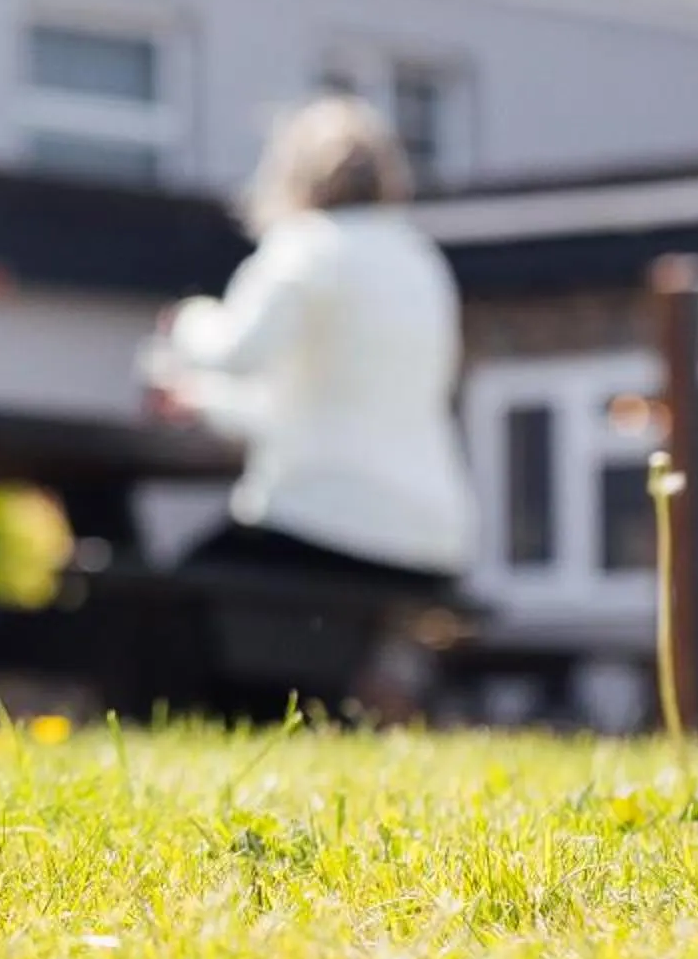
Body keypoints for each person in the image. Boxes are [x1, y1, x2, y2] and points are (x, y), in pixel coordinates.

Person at [147, 96, 475, 710]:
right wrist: (210, 404)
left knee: (167, 597)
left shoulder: (306, 247)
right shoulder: (421, 261)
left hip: (327, 525)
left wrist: (187, 323)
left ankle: (204, 731)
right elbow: (319, 408)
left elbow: (234, 350)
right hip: (432, 535)